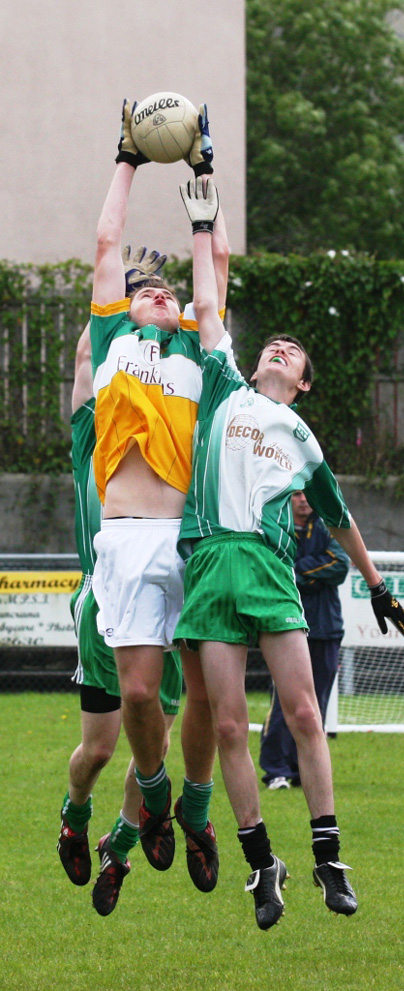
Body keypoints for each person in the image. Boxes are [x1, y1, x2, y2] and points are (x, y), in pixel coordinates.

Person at [174, 176, 404, 930]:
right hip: (213, 563)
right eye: (275, 343)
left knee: (305, 711)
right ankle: (261, 865)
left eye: (294, 353)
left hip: (272, 570)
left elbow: (340, 517)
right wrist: (205, 222)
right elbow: (209, 302)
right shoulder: (222, 384)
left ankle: (328, 857)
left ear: (301, 385)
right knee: (222, 727)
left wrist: (376, 585)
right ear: (257, 363)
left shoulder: (299, 435)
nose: (280, 347)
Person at [89, 100, 231, 897]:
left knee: (206, 688)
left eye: (166, 292)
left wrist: (202, 175)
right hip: (124, 538)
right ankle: (152, 791)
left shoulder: (196, 354)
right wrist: (128, 157)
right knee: (139, 692)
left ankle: (199, 808)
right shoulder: (112, 344)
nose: (157, 293)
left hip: (186, 537)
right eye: (147, 291)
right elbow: (109, 243)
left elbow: (213, 275)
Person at [57, 248, 183, 916]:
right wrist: (121, 289)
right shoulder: (94, 421)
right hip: (104, 592)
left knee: (156, 735)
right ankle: (75, 813)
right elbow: (86, 358)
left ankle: (123, 845)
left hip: (161, 587)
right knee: (100, 750)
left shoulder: (174, 416)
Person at [260, 490, 349, 790]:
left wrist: (297, 570)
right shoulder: (275, 526)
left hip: (326, 627)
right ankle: (276, 769)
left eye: (308, 493)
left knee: (317, 703)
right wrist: (311, 570)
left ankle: (302, 768)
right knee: (284, 700)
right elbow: (271, 568)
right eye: (297, 494)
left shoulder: (328, 526)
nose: (303, 499)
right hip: (286, 627)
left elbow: (339, 564)